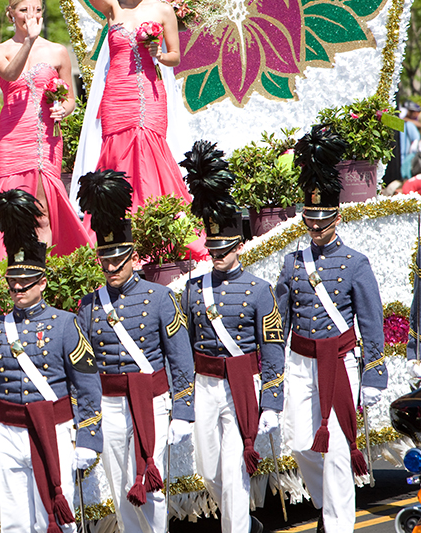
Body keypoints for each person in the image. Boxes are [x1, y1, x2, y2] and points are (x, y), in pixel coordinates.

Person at [33, 0, 191, 211]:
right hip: (118, 52)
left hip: (152, 62)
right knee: (112, 130)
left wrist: (175, 22)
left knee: (154, 135)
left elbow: (176, 33)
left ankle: (158, 202)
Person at [0, 189, 102, 533]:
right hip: (8, 432)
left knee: (55, 518)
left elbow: (87, 388)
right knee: (13, 523)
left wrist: (88, 439)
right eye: (13, 284)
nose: (19, 290)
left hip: (53, 429)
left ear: (42, 281)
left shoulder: (66, 324)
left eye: (26, 283)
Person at [275, 126, 387, 533]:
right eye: (310, 222)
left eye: (323, 222)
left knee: (338, 450)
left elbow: (371, 323)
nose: (316, 229)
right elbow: (279, 323)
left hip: (340, 362)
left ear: (337, 217)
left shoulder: (356, 263)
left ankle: (337, 524)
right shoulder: (292, 263)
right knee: (302, 442)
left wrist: (374, 374)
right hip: (303, 362)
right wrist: (272, 373)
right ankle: (327, 505)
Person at [76, 170, 195, 533]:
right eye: (105, 260)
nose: (111, 267)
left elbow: (179, 358)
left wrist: (184, 410)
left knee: (152, 485)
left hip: (152, 400)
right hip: (110, 404)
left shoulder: (160, 298)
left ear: (132, 256)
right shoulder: (88, 305)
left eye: (118, 259)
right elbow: (83, 369)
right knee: (119, 486)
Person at [180, 142, 284, 533]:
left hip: (243, 382)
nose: (217, 255)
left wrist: (271, 400)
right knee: (210, 469)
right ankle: (242, 520)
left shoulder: (258, 290)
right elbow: (185, 346)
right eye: (212, 249)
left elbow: (272, 349)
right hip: (206, 383)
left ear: (238, 246)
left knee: (236, 466)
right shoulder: (193, 289)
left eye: (224, 248)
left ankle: (238, 526)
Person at [0, 0, 88, 263]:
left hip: (44, 139)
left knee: (41, 214)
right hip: (11, 138)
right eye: (24, 10)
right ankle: (12, 273)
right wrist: (28, 41)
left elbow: (70, 99)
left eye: (37, 9)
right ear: (11, 14)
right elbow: (11, 73)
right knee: (11, 213)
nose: (31, 15)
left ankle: (44, 273)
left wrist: (62, 110)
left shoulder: (57, 51)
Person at [80, 0, 189, 212]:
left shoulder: (163, 10)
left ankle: (156, 218)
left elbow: (175, 56)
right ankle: (119, 223)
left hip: (148, 93)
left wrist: (159, 55)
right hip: (116, 95)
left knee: (149, 149)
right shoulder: (113, 7)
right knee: (116, 155)